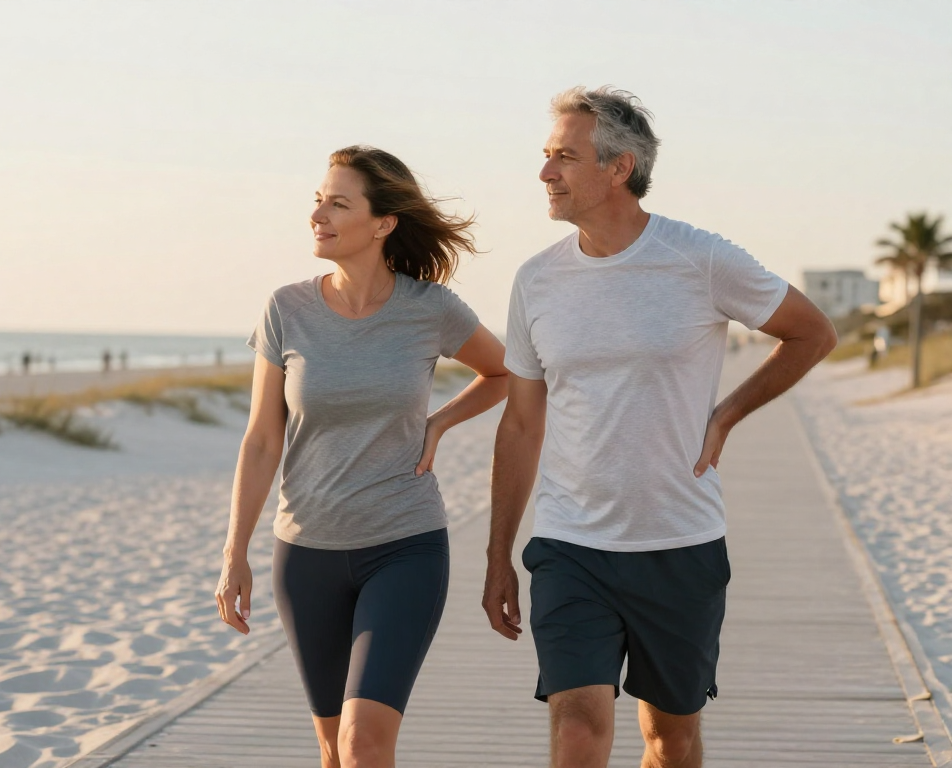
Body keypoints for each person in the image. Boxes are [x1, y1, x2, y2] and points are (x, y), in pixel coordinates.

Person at [482, 86, 837, 768]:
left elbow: (811, 333)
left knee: (669, 741)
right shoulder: (535, 281)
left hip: (680, 542)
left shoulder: (699, 258)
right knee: (578, 730)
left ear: (619, 168)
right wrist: (499, 553)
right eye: (545, 156)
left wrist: (728, 413)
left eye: (564, 156)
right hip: (570, 543)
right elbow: (522, 424)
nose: (545, 173)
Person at [215, 145, 508, 768]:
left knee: (363, 743)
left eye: (338, 203)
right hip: (305, 554)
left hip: (404, 545)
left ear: (383, 223)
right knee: (332, 748)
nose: (319, 214)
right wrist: (234, 550)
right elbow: (263, 439)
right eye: (318, 200)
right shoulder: (286, 309)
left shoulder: (429, 308)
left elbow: (502, 371)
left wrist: (441, 423)